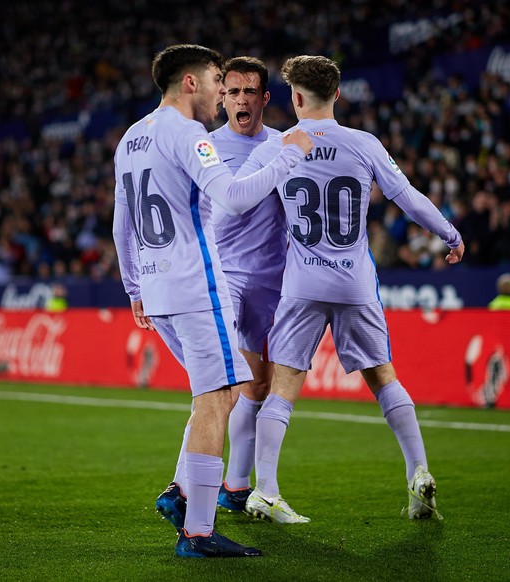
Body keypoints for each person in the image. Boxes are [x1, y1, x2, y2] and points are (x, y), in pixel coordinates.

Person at [237, 56, 465, 524]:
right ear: (337, 95)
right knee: (384, 378)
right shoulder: (364, 144)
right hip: (354, 282)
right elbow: (408, 199)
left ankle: (265, 490)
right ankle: (417, 471)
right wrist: (450, 234)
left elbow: (236, 200)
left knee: (282, 389)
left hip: (301, 285)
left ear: (296, 98)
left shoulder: (280, 146)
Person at [112, 44, 312, 558]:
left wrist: (134, 286)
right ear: (191, 83)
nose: (224, 90)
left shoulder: (131, 138)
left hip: (158, 290)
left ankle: (180, 494)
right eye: (217, 79)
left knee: (221, 392)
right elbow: (234, 198)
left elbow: (122, 222)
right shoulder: (189, 134)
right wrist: (291, 155)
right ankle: (198, 530)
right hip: (196, 286)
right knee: (216, 396)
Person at [208, 56, 287, 513]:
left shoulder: (283, 144)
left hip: (273, 281)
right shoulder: (204, 146)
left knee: (260, 386)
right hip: (225, 277)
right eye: (233, 91)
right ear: (222, 98)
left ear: (264, 99)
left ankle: (239, 485)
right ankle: (219, 486)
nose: (241, 99)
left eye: (249, 92)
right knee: (228, 382)